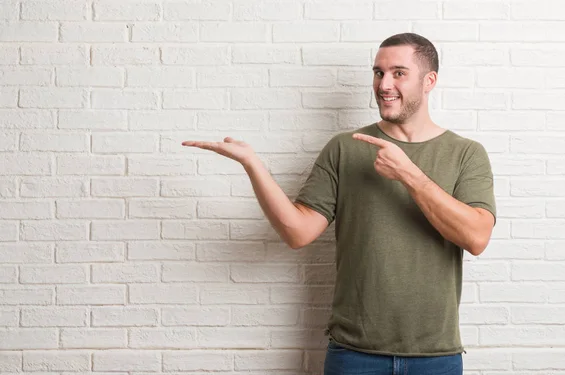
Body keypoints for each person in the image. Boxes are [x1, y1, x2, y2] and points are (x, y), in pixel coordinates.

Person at [183, 33, 496, 375]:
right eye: (378, 73)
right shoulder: (344, 148)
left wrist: (409, 174)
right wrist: (253, 165)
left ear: (429, 80)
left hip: (436, 355)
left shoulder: (466, 153)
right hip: (354, 354)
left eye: (398, 73)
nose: (384, 84)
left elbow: (476, 237)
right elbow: (298, 232)